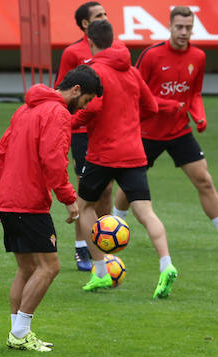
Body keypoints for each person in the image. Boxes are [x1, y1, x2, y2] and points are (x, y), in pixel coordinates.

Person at [113, 6, 218, 251]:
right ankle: (113, 230)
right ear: (169, 26)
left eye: (188, 28)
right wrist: (166, 105)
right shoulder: (151, 55)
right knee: (131, 185)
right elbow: (134, 93)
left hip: (179, 131)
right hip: (147, 133)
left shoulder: (198, 57)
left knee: (204, 180)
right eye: (179, 27)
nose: (183, 32)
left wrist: (199, 115)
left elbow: (194, 93)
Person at [0, 65, 103, 352]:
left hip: (9, 200)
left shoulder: (24, 109)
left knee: (27, 268)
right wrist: (69, 199)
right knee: (50, 267)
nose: (83, 108)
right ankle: (20, 332)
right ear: (76, 90)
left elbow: (1, 152)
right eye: (87, 100)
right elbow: (53, 160)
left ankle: (17, 332)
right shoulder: (57, 114)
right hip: (29, 202)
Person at [71, 20, 178, 299]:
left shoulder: (95, 72)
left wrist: (70, 122)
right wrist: (130, 123)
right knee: (145, 212)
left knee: (83, 208)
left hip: (102, 154)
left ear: (89, 41)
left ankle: (100, 271)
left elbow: (91, 108)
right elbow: (152, 107)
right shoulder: (131, 70)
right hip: (133, 152)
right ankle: (166, 265)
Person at [55, 1, 125, 272]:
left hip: (107, 129)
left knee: (107, 190)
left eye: (106, 13)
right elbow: (62, 89)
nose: (105, 18)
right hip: (82, 130)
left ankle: (103, 244)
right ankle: (81, 248)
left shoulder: (117, 50)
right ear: (85, 24)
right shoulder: (73, 52)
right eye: (98, 15)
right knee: (88, 190)